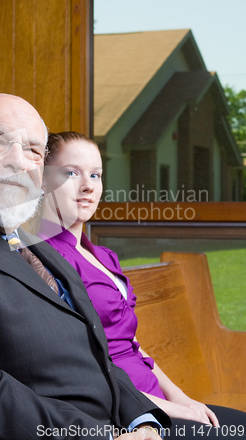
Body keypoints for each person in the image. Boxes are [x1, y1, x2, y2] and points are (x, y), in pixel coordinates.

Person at [0, 94, 171, 440]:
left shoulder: (32, 245)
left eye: (34, 150)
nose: (18, 162)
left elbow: (98, 356)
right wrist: (106, 437)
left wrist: (143, 421)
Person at [40, 130, 246, 440]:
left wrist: (181, 398)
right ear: (42, 180)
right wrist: (169, 410)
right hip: (126, 414)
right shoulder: (45, 259)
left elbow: (134, 345)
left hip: (157, 399)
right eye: (71, 173)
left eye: (95, 175)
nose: (88, 186)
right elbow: (83, 366)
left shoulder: (105, 256)